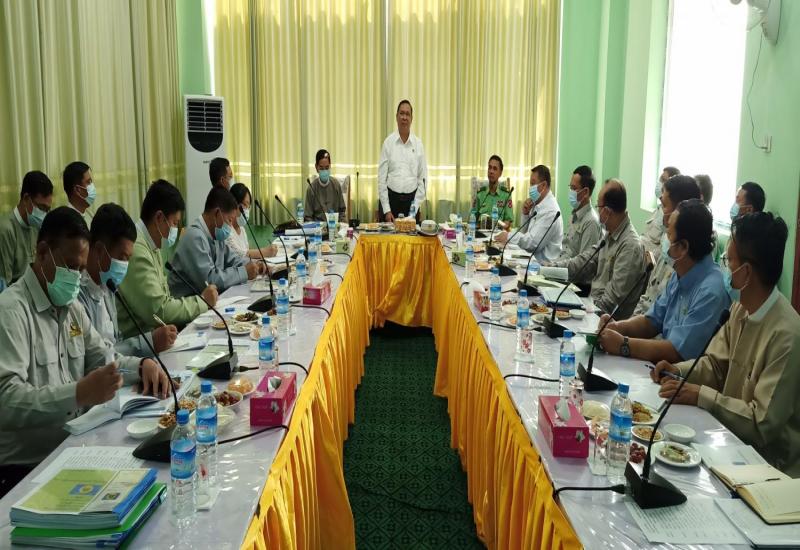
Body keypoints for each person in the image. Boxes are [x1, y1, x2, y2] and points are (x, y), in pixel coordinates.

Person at [0, 207, 170, 497]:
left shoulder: (72, 308)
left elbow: (104, 358)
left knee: (150, 482)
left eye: (80, 269)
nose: (76, 277)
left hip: (75, 448)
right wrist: (78, 394)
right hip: (25, 470)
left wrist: (142, 366)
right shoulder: (11, 311)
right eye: (70, 266)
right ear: (42, 252)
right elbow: (6, 401)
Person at [652, 212, 800, 477]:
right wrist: (678, 372)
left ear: (747, 272)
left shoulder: (787, 335)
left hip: (770, 469)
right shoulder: (740, 309)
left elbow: (761, 422)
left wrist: (701, 396)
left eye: (728, 261)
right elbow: (715, 365)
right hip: (728, 444)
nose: (725, 268)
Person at [598, 199, 730, 363]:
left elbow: (677, 352)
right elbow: (651, 321)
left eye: (669, 235)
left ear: (683, 247)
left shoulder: (711, 292)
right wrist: (617, 327)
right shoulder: (680, 272)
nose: (664, 240)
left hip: (679, 375)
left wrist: (623, 345)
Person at [117, 180, 218, 336]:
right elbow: (159, 311)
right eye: (174, 223)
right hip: (140, 342)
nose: (176, 229)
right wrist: (202, 301)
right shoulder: (137, 250)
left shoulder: (151, 243)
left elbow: (164, 298)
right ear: (159, 217)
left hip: (157, 335)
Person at [78, 203, 178, 357]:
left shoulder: (108, 286)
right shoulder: (78, 296)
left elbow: (116, 344)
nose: (125, 265)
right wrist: (149, 342)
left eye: (128, 259)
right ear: (99, 249)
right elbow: (98, 357)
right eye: (122, 257)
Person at [549, 179, 645, 319]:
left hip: (605, 321)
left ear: (607, 211)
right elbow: (585, 261)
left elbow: (612, 301)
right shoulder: (610, 234)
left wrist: (579, 311)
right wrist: (551, 268)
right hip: (592, 309)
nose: (597, 211)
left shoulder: (630, 246)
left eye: (598, 206)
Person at [168, 187, 264, 298]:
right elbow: (210, 281)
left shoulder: (216, 234)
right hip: (188, 304)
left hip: (208, 301)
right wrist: (244, 272)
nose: (230, 226)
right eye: (229, 220)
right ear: (217, 213)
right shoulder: (194, 237)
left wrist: (257, 265)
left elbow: (233, 260)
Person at [633, 175, 702, 316]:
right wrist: (626, 325)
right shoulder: (666, 240)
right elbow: (647, 297)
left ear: (680, 210)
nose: (660, 211)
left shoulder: (688, 260)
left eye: (664, 205)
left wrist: (629, 330)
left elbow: (663, 319)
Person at [494, 165, 563, 261]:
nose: (530, 188)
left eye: (533, 184)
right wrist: (525, 214)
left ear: (543, 185)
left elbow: (532, 244)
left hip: (543, 264)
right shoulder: (538, 203)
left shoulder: (550, 211)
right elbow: (524, 233)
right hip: (530, 258)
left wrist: (508, 236)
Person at [0, 171, 54, 291]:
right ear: (26, 199)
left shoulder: (36, 226)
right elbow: (4, 286)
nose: (45, 214)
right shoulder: (5, 230)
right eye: (42, 208)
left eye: (48, 210)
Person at [378, 100, 428, 222]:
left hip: (411, 204)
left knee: (411, 235)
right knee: (389, 235)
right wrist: (387, 210)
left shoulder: (418, 144)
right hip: (391, 202)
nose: (404, 117)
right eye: (401, 113)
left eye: (407, 114)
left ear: (412, 118)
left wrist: (414, 210)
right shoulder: (388, 143)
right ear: (396, 117)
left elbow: (423, 180)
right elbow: (382, 179)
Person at [554, 165, 601, 286]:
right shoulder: (574, 215)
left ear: (585, 192)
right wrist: (552, 267)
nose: (570, 192)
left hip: (575, 286)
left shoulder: (591, 222)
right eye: (570, 187)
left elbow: (584, 267)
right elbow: (566, 252)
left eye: (574, 188)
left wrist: (554, 268)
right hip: (561, 275)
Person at [228, 183, 278, 260]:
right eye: (245, 205)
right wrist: (264, 252)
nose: (247, 210)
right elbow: (238, 254)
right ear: (234, 204)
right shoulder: (226, 230)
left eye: (249, 206)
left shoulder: (242, 229)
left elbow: (247, 253)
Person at [642, 166, 680, 257]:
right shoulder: (659, 208)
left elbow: (661, 248)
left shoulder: (671, 215)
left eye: (663, 180)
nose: (659, 183)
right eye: (660, 179)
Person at [304, 149, 347, 222]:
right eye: (321, 168)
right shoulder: (311, 188)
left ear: (330, 166)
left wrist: (341, 225)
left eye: (327, 168)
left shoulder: (336, 185)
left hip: (334, 226)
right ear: (316, 167)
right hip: (317, 227)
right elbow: (308, 217)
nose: (324, 171)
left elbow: (342, 212)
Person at [472, 155, 512, 229]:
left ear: (500, 173)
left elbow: (508, 221)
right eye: (489, 168)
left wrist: (500, 229)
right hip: (481, 232)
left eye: (495, 169)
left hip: (498, 233)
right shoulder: (480, 194)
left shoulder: (506, 195)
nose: (491, 171)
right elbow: (472, 218)